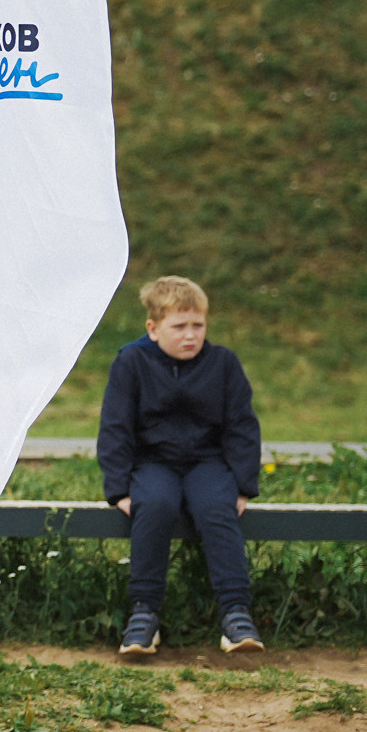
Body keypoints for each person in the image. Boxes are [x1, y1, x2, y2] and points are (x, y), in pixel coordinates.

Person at [100, 275, 263, 656]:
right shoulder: (131, 363)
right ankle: (144, 614)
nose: (190, 335)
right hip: (153, 463)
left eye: (198, 325)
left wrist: (243, 485)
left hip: (208, 462)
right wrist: (119, 488)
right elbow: (115, 427)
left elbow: (242, 426)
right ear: (153, 329)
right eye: (179, 327)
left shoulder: (223, 364)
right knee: (155, 506)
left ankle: (235, 614)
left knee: (216, 508)